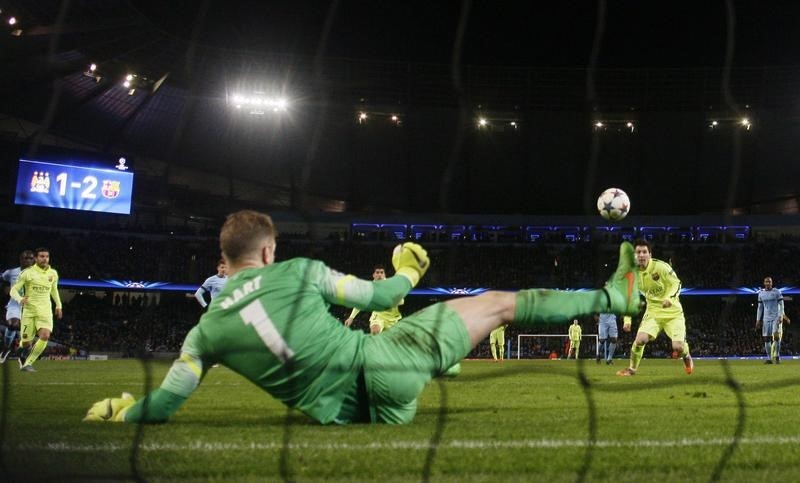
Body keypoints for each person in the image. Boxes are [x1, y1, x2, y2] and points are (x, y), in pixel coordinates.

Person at [84, 210, 641, 425]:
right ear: (269, 251)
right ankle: (611, 298)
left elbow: (165, 405)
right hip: (386, 363)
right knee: (500, 304)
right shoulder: (298, 271)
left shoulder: (201, 335)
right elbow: (381, 298)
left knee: (446, 336)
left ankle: (437, 363)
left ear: (225, 261)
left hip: (359, 415)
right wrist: (408, 271)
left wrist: (123, 413)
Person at [617, 239, 693, 377]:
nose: (641, 255)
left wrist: (669, 298)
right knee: (640, 340)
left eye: (644, 252)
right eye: (638, 252)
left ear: (650, 254)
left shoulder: (661, 267)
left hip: (673, 313)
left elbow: (676, 284)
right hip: (653, 312)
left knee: (678, 348)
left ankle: (686, 355)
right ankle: (632, 369)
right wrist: (627, 320)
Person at [10, 247, 63, 372]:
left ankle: (28, 363)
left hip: (45, 311)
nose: (45, 259)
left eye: (47, 256)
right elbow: (13, 290)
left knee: (45, 336)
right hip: (29, 311)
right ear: (35, 258)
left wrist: (59, 305)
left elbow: (54, 290)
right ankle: (22, 355)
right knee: (26, 343)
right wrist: (20, 299)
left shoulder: (53, 273)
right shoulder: (27, 273)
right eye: (42, 256)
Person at [344, 264, 403, 334]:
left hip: (392, 320)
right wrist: (351, 317)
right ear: (373, 275)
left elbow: (401, 301)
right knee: (375, 331)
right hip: (378, 316)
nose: (379, 275)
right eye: (377, 272)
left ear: (384, 275)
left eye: (381, 272)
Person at [0, 250, 35, 362]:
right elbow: (2, 279)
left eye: (31, 258)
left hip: (29, 308)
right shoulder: (11, 272)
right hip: (14, 305)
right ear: (21, 259)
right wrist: (4, 288)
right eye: (26, 258)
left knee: (28, 342)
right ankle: (5, 349)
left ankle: (22, 355)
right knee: (13, 324)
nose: (28, 260)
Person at [756, 276, 785, 364]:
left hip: (776, 317)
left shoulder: (777, 292)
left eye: (769, 282)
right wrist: (758, 319)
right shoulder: (761, 293)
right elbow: (760, 308)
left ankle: (777, 355)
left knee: (776, 337)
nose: (768, 283)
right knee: (766, 339)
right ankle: (769, 358)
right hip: (765, 319)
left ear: (772, 283)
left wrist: (781, 316)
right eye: (766, 282)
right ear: (764, 283)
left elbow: (781, 304)